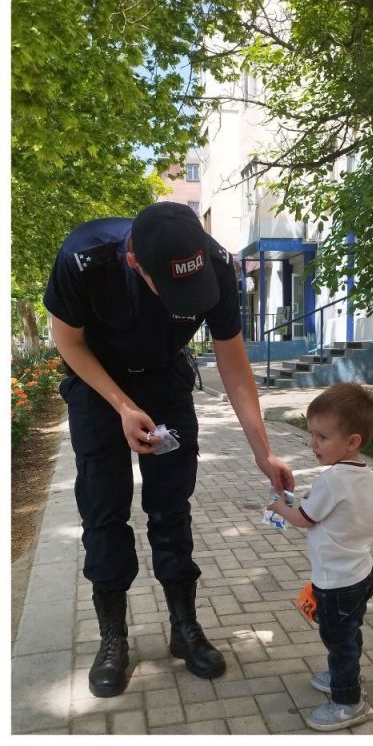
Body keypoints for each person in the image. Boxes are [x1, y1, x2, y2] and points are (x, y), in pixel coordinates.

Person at [44, 201, 294, 697]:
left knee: (171, 508)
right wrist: (119, 404)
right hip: (99, 388)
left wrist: (264, 453)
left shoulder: (217, 266)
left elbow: (234, 364)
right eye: (175, 288)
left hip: (166, 382)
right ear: (136, 264)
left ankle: (184, 627)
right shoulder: (84, 258)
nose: (188, 299)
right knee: (103, 511)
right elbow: (67, 342)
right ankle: (113, 638)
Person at [268, 382, 373, 731]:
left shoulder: (332, 480)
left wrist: (279, 507)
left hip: (337, 582)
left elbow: (303, 518)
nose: (312, 443)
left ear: (352, 442)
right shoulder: (370, 478)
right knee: (349, 632)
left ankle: (348, 701)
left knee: (338, 639)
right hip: (362, 574)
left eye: (321, 437)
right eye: (311, 433)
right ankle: (344, 675)